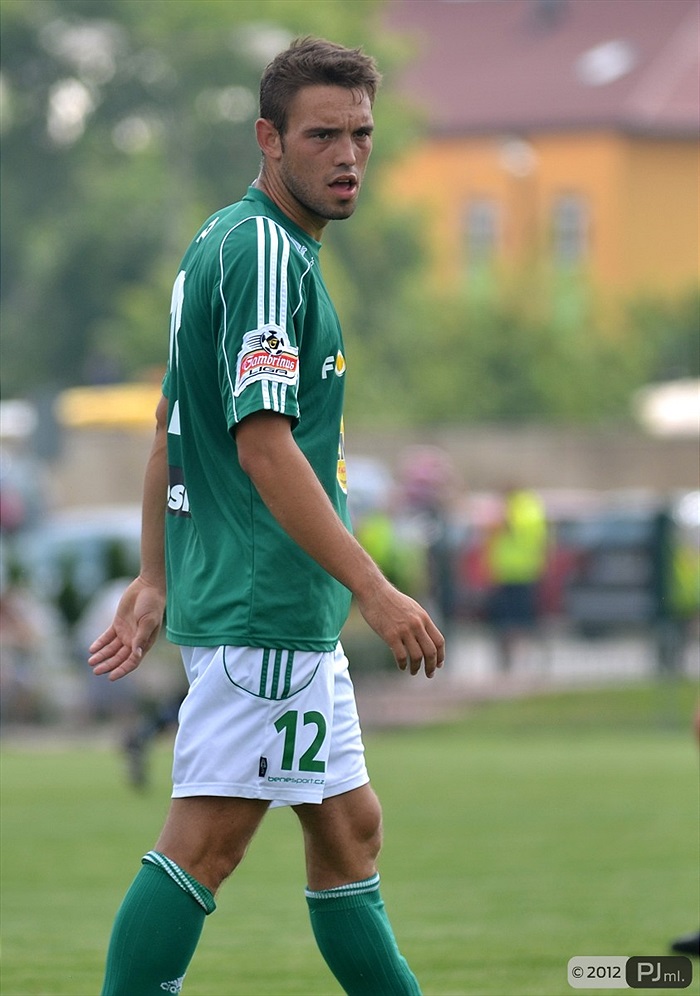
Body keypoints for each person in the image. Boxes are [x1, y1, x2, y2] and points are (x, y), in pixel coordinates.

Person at [88, 37, 445, 996]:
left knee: (349, 828)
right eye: (322, 134)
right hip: (266, 604)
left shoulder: (221, 241)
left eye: (361, 135)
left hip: (266, 604)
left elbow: (169, 423)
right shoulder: (268, 258)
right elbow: (263, 446)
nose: (347, 156)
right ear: (268, 138)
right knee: (204, 845)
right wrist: (373, 587)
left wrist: (155, 575)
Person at [484, 486, 548, 672]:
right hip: (509, 574)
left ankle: (519, 662)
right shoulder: (528, 509)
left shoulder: (522, 510)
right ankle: (513, 662)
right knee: (511, 620)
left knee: (517, 621)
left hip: (519, 574)